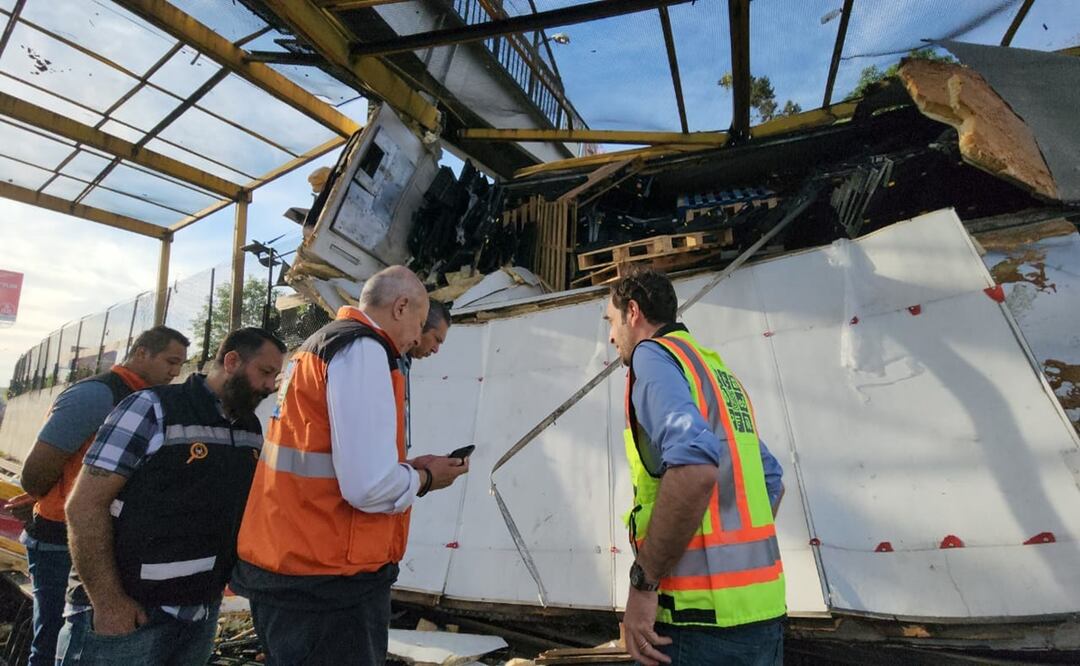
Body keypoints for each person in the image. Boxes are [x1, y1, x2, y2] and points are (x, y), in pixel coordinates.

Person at [232, 266, 469, 665]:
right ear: (401, 307)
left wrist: (407, 466)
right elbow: (368, 487)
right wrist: (426, 478)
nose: (417, 337)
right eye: (418, 322)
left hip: (293, 563)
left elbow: (328, 460)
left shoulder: (316, 348)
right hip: (326, 580)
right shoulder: (364, 349)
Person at [57, 328, 286, 665]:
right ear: (233, 361)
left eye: (275, 376)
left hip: (197, 617)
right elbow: (84, 505)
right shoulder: (151, 409)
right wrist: (108, 603)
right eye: (265, 373)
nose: (270, 385)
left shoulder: (249, 429)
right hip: (130, 619)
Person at [604, 267, 786, 666]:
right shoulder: (714, 370)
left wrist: (644, 583)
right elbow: (771, 479)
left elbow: (694, 468)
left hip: (695, 626)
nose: (612, 337)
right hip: (762, 616)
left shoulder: (652, 357)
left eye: (611, 322)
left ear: (632, 313)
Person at [14, 326, 188, 666]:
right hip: (59, 539)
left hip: (95, 537)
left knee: (81, 639)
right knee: (53, 639)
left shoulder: (144, 400)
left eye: (180, 364)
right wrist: (48, 498)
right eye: (170, 361)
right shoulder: (97, 396)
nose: (175, 372)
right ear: (141, 353)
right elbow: (35, 474)